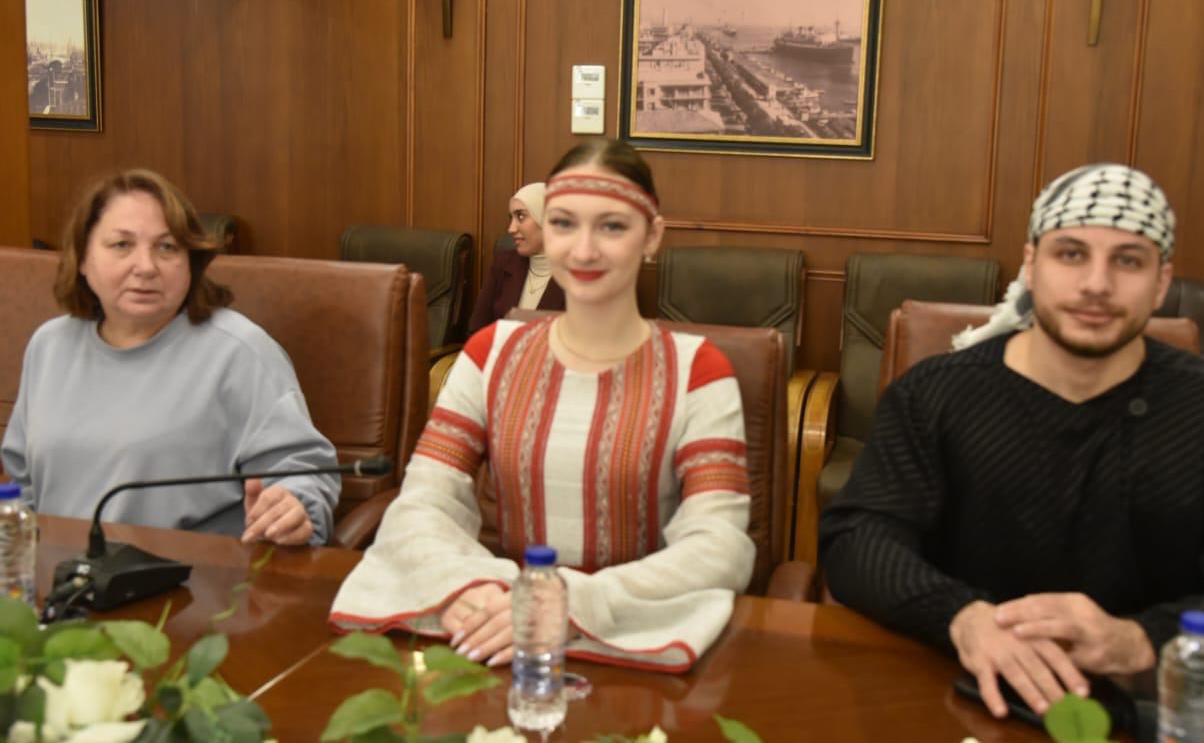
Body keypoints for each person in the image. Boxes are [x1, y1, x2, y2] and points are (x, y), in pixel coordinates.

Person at [819, 163, 1204, 719]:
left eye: (1128, 261)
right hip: (957, 694)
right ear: (1032, 265)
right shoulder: (933, 395)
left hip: (1150, 710)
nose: (1097, 284)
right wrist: (962, 618)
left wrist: (1139, 639)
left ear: (1161, 283)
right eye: (1071, 254)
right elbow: (859, 539)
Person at [331, 139, 754, 671]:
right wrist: (474, 589)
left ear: (652, 236)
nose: (583, 250)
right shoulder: (491, 353)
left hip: (630, 636)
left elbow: (718, 545)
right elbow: (424, 503)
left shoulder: (699, 371)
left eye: (612, 226)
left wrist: (571, 604)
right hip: (502, 633)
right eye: (563, 224)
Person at [1, 169, 339, 545]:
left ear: (190, 261)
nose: (146, 267)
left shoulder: (239, 352)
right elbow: (22, 483)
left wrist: (294, 506)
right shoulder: (49, 345)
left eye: (167, 248)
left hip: (187, 576)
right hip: (54, 573)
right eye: (122, 245)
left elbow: (304, 471)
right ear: (82, 258)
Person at [468, 182, 565, 334]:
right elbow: (477, 329)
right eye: (511, 218)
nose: (511, 229)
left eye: (521, 216)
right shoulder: (503, 264)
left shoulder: (578, 273)